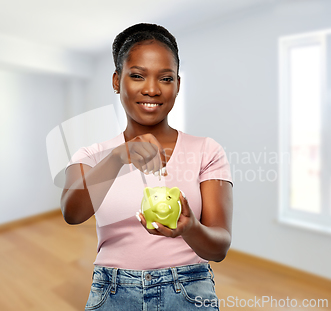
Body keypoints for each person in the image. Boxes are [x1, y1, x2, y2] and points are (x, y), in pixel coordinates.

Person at [60, 23, 233, 310]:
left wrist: (190, 229)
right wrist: (118, 157)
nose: (152, 90)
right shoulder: (91, 155)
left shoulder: (206, 150)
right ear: (117, 81)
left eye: (165, 78)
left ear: (177, 84)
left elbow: (219, 248)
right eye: (138, 76)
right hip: (112, 291)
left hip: (189, 291)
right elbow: (72, 212)